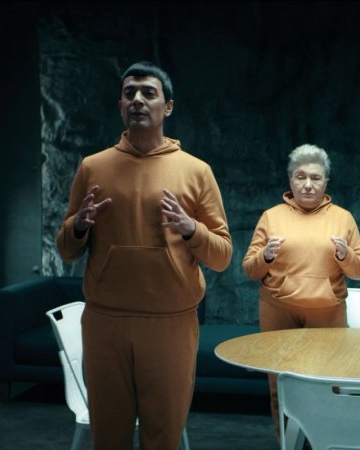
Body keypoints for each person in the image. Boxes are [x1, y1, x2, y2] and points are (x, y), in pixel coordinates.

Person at [56, 61, 232, 450]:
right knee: (108, 437)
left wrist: (191, 229)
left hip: (170, 323)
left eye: (148, 93)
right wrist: (79, 226)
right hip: (106, 322)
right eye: (129, 93)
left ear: (167, 107)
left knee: (163, 437)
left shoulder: (196, 171)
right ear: (120, 105)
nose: (137, 99)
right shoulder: (93, 167)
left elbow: (222, 256)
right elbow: (67, 251)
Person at [241, 143, 360, 439]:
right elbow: (249, 269)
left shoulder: (343, 217)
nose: (308, 184)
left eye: (315, 177)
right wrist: (266, 256)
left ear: (326, 182)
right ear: (290, 180)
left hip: (327, 312)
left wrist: (345, 255)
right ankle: (286, 442)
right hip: (278, 311)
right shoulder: (271, 216)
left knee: (329, 382)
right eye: (301, 177)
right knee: (280, 383)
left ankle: (326, 442)